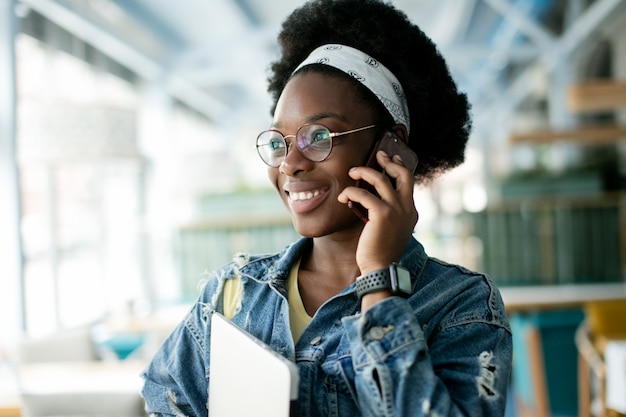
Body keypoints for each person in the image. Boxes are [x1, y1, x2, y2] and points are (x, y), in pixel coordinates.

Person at [141, 0, 512, 416]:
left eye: (319, 137)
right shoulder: (233, 295)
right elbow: (165, 400)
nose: (291, 163)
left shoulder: (460, 304)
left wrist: (378, 280)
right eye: (280, 141)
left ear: (391, 145)